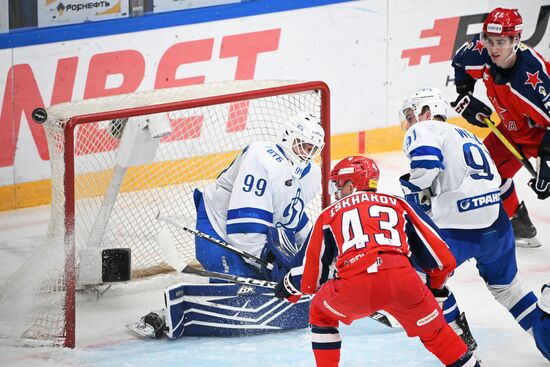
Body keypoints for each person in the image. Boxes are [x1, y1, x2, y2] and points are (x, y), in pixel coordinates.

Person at [131, 112, 325, 339]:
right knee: (241, 298)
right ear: (287, 137)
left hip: (261, 236)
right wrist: (273, 265)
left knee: (283, 288)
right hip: (220, 229)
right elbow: (243, 230)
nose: (307, 154)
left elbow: (293, 219)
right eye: (303, 146)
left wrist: (315, 257)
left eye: (313, 149)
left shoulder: (311, 174)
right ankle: (162, 317)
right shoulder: (262, 157)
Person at [275, 155, 479, 367]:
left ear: (352, 184)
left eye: (339, 185)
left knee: (320, 314)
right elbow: (443, 259)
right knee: (435, 333)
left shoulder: (330, 213)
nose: (336, 191)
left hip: (355, 286)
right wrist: (434, 292)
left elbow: (313, 278)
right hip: (404, 282)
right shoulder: (399, 204)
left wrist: (290, 286)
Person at [399, 86, 547, 360]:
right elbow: (499, 182)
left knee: (416, 279)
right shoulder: (468, 136)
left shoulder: (423, 129)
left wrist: (409, 190)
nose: (408, 123)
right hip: (498, 226)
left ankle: (460, 341)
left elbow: (426, 166)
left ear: (428, 112)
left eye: (411, 115)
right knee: (509, 289)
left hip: (458, 229)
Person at [450, 7, 550, 248]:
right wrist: (465, 95)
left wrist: (546, 161)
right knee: (486, 173)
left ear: (516, 40)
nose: (493, 48)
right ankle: (518, 220)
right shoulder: (480, 52)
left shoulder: (536, 77)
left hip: (542, 135)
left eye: (501, 42)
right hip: (510, 129)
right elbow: (460, 64)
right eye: (489, 40)